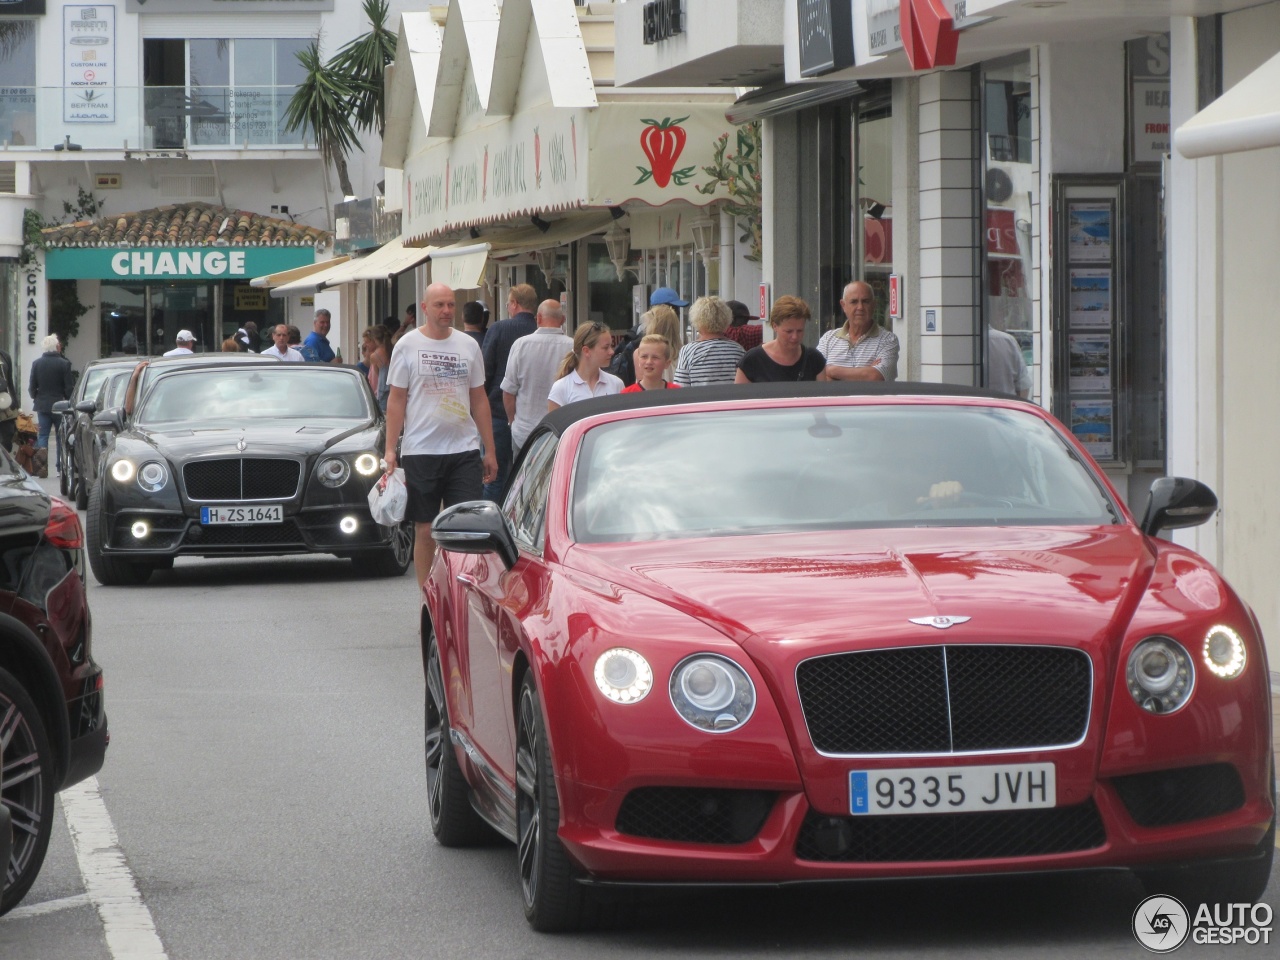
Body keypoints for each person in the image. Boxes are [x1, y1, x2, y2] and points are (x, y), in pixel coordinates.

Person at [384, 282, 497, 589]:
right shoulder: (407, 345)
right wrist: (391, 449)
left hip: (463, 448)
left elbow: (479, 399)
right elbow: (396, 401)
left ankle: (463, 592)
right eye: (439, 305)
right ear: (425, 308)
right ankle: (427, 598)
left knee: (466, 527)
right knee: (424, 528)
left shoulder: (468, 345)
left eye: (450, 305)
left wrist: (490, 450)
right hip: (422, 449)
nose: (447, 311)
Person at [480, 283, 538, 500]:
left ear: (514, 304)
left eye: (508, 303)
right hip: (535, 415)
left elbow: (484, 371)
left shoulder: (499, 329)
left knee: (495, 475)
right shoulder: (539, 332)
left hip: (497, 412)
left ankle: (491, 527)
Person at [501, 299, 572, 459]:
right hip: (561, 431)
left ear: (538, 318)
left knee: (523, 482)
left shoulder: (521, 345)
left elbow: (508, 392)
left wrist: (513, 422)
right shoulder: (573, 347)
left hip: (524, 432)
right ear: (563, 320)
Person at [818, 280, 900, 381]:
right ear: (843, 305)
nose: (860, 307)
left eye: (865, 301)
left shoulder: (888, 340)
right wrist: (866, 372)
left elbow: (876, 377)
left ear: (874, 305)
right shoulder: (828, 339)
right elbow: (816, 376)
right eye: (854, 302)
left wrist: (831, 371)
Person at [736, 296, 827, 383]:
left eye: (800, 331)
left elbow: (823, 396)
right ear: (775, 326)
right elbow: (739, 396)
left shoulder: (815, 359)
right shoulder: (752, 360)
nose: (795, 336)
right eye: (789, 331)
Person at [547, 322, 624, 411]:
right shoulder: (561, 388)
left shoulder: (616, 384)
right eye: (605, 347)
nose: (612, 352)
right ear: (586, 351)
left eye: (611, 346)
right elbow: (555, 424)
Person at [28, 334, 74, 478]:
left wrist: (37, 397)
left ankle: (41, 467)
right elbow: (69, 388)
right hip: (59, 406)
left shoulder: (36, 364)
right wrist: (68, 401)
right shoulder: (64, 364)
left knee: (42, 436)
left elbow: (31, 387)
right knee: (61, 436)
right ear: (56, 347)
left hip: (42, 405)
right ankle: (61, 468)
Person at [673, 297, 744, 387]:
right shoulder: (738, 350)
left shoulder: (688, 351)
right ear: (726, 319)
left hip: (701, 401)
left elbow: (680, 388)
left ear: (697, 320)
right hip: (730, 401)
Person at [986, 324, 1031, 398]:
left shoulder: (964, 341)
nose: (1005, 316)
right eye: (1000, 312)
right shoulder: (1007, 340)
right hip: (1005, 406)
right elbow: (1023, 386)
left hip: (969, 407)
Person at [361, 325, 391, 412]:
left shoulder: (375, 356)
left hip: (381, 394)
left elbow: (375, 379)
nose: (366, 345)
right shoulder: (390, 350)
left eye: (367, 342)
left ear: (374, 340)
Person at [0, 348, 19, 453]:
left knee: (7, 438)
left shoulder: (4, 356)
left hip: (5, 405)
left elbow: (10, 382)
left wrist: (15, 404)